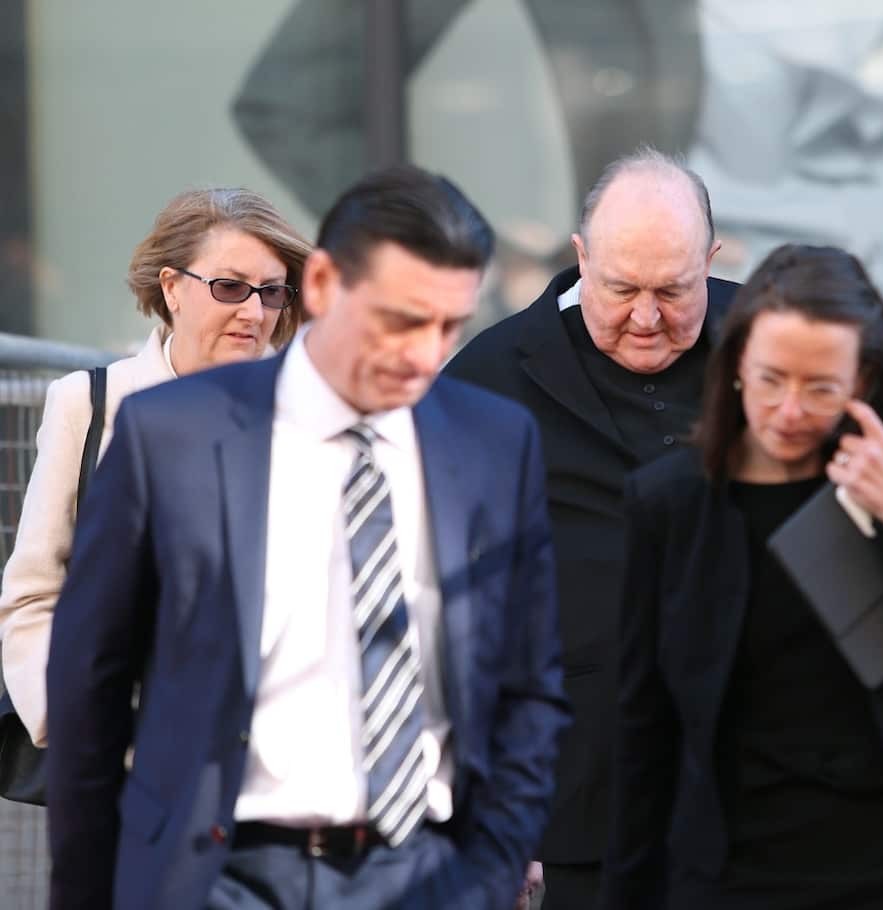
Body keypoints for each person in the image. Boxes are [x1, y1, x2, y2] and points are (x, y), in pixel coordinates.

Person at [44, 166, 569, 909]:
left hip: (431, 875)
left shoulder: (492, 442)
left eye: (449, 325)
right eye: (400, 319)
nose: (424, 352)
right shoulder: (176, 435)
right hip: (224, 875)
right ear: (322, 284)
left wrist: (489, 867)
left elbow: (529, 685)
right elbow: (89, 687)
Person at [601, 244, 883, 909]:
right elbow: (642, 729)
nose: (789, 410)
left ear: (861, 380)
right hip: (733, 874)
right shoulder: (670, 502)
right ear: (736, 363)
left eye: (821, 387)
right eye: (771, 379)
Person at [445, 148, 736, 909]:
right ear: (580, 260)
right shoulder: (486, 380)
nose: (646, 317)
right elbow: (442, 611)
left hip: (755, 807)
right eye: (621, 289)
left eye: (674, 290)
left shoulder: (778, 348)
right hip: (574, 812)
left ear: (712, 259)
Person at [0, 187, 309, 751]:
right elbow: (33, 592)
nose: (254, 312)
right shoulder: (89, 405)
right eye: (230, 287)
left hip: (281, 767)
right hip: (129, 766)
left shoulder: (311, 416)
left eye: (271, 292)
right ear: (171, 288)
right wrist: (80, 726)